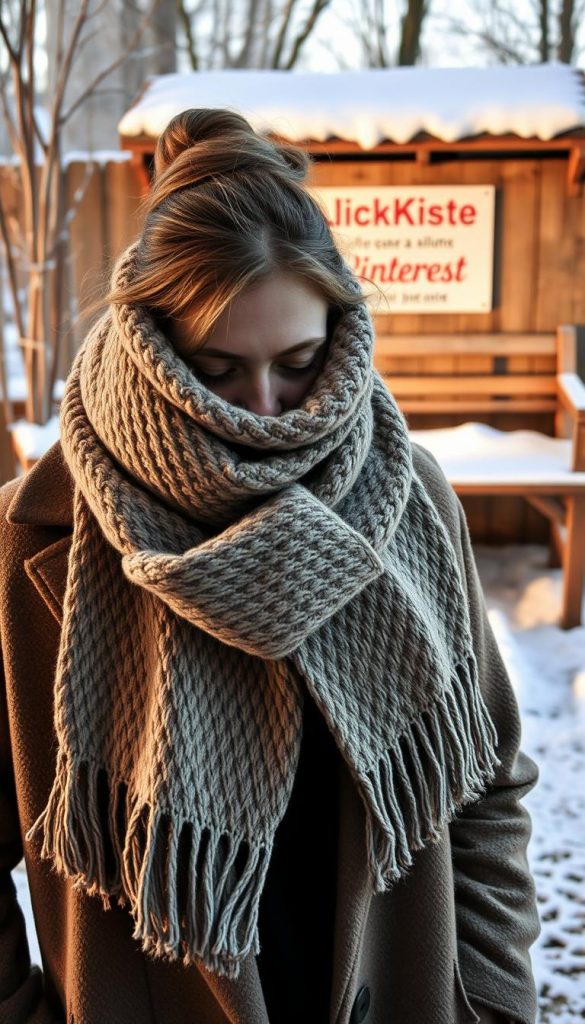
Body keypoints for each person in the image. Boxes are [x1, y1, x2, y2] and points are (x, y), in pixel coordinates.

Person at [0, 108, 540, 1024]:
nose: (266, 413)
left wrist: (489, 998)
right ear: (152, 347)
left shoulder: (409, 498)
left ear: (342, 327)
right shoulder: (39, 535)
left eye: (297, 362)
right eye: (217, 370)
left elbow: (482, 785)